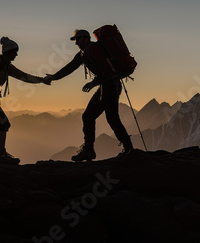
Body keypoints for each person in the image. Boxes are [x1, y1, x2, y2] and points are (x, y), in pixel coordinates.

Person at [44, 29, 133, 161]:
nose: (76, 43)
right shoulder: (83, 54)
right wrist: (53, 77)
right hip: (108, 86)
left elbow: (106, 69)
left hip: (110, 86)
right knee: (94, 117)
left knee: (104, 118)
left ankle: (123, 149)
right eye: (75, 40)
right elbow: (70, 67)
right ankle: (120, 149)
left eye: (78, 39)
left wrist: (93, 83)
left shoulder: (93, 50)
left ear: (86, 38)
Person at [0, 36, 50, 164]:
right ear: (10, 51)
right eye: (15, 52)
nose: (17, 54)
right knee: (3, 123)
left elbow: (24, 76)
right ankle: (1, 155)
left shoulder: (7, 66)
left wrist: (42, 80)